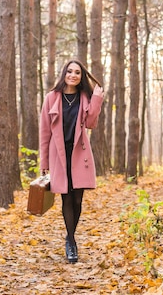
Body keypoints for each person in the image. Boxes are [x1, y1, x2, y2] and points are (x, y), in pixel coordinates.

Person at [39, 59, 105, 264]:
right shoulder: (52, 97)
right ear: (64, 74)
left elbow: (91, 123)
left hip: (79, 154)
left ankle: (69, 236)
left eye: (77, 72)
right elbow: (44, 131)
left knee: (78, 200)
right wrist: (44, 162)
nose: (73, 75)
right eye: (70, 71)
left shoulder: (85, 96)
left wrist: (96, 100)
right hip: (58, 155)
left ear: (81, 76)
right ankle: (72, 243)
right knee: (66, 198)